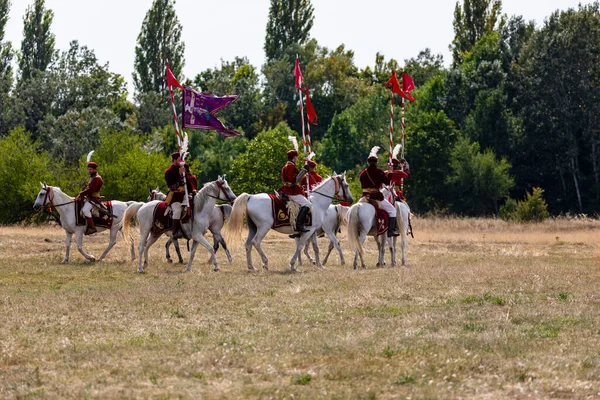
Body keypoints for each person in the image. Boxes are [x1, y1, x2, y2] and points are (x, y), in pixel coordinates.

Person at [359, 147, 398, 237]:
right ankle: (390, 231)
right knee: (392, 211)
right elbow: (388, 182)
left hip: (365, 196)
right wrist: (390, 172)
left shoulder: (363, 173)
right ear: (376, 162)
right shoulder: (379, 172)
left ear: (368, 162)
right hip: (376, 197)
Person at [280, 149, 311, 238]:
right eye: (296, 157)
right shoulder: (290, 166)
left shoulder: (288, 165)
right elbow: (294, 180)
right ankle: (299, 226)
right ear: (294, 157)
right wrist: (304, 171)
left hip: (289, 189)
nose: (297, 158)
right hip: (291, 190)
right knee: (307, 204)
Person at [165, 152, 197, 238]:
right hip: (175, 196)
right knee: (178, 211)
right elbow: (171, 186)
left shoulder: (185, 167)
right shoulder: (169, 172)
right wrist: (179, 175)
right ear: (175, 160)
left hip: (187, 194)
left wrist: (187, 174)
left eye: (182, 159)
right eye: (179, 160)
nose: (182, 161)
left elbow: (191, 179)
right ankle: (175, 232)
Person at [76, 160, 103, 234]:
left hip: (94, 198)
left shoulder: (97, 178)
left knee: (85, 210)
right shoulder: (92, 177)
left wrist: (82, 193)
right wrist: (80, 195)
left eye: (90, 169)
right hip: (90, 197)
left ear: (94, 169)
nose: (89, 171)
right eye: (88, 169)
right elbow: (87, 188)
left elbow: (91, 190)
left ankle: (93, 228)